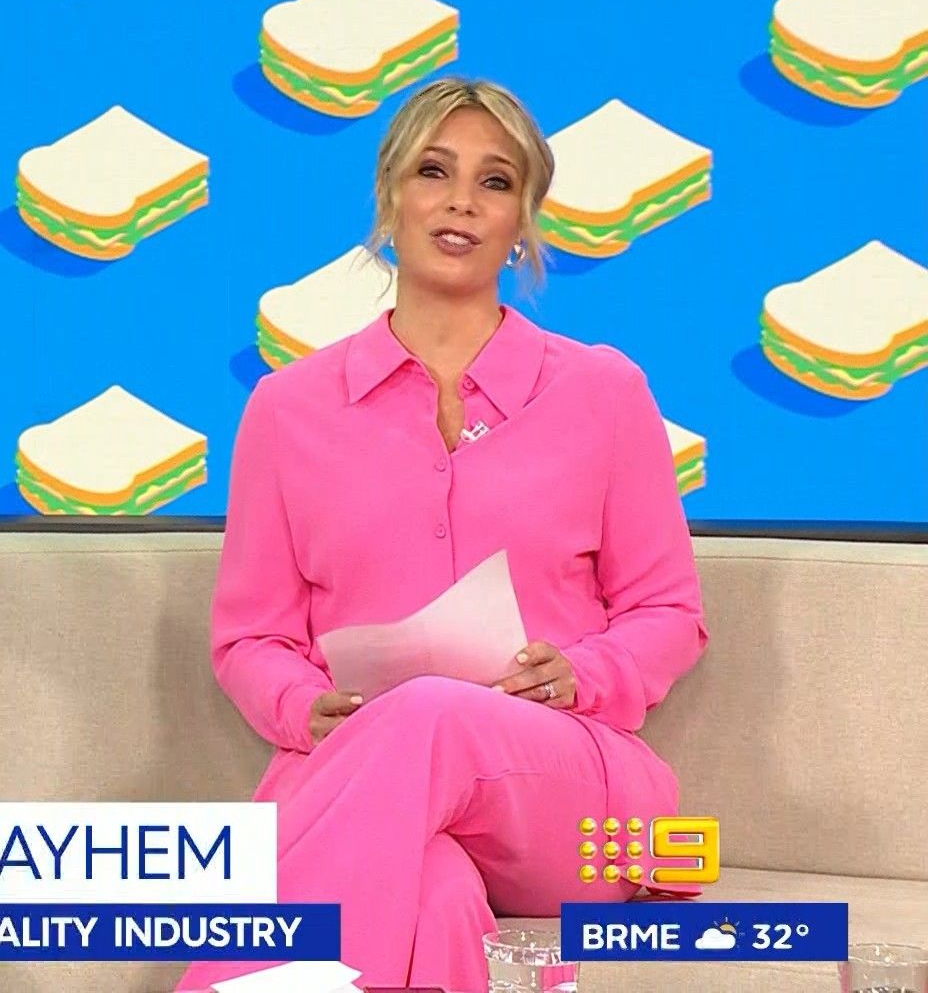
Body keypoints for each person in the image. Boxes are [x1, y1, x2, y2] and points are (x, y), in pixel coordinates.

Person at [175, 77, 707, 992]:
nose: (462, 200)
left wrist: (582, 673)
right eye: (434, 171)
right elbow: (249, 638)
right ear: (390, 196)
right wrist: (305, 706)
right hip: (368, 779)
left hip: (573, 798)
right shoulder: (287, 409)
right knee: (430, 895)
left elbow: (669, 614)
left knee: (429, 712)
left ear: (523, 221)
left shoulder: (603, 393)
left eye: (495, 181)